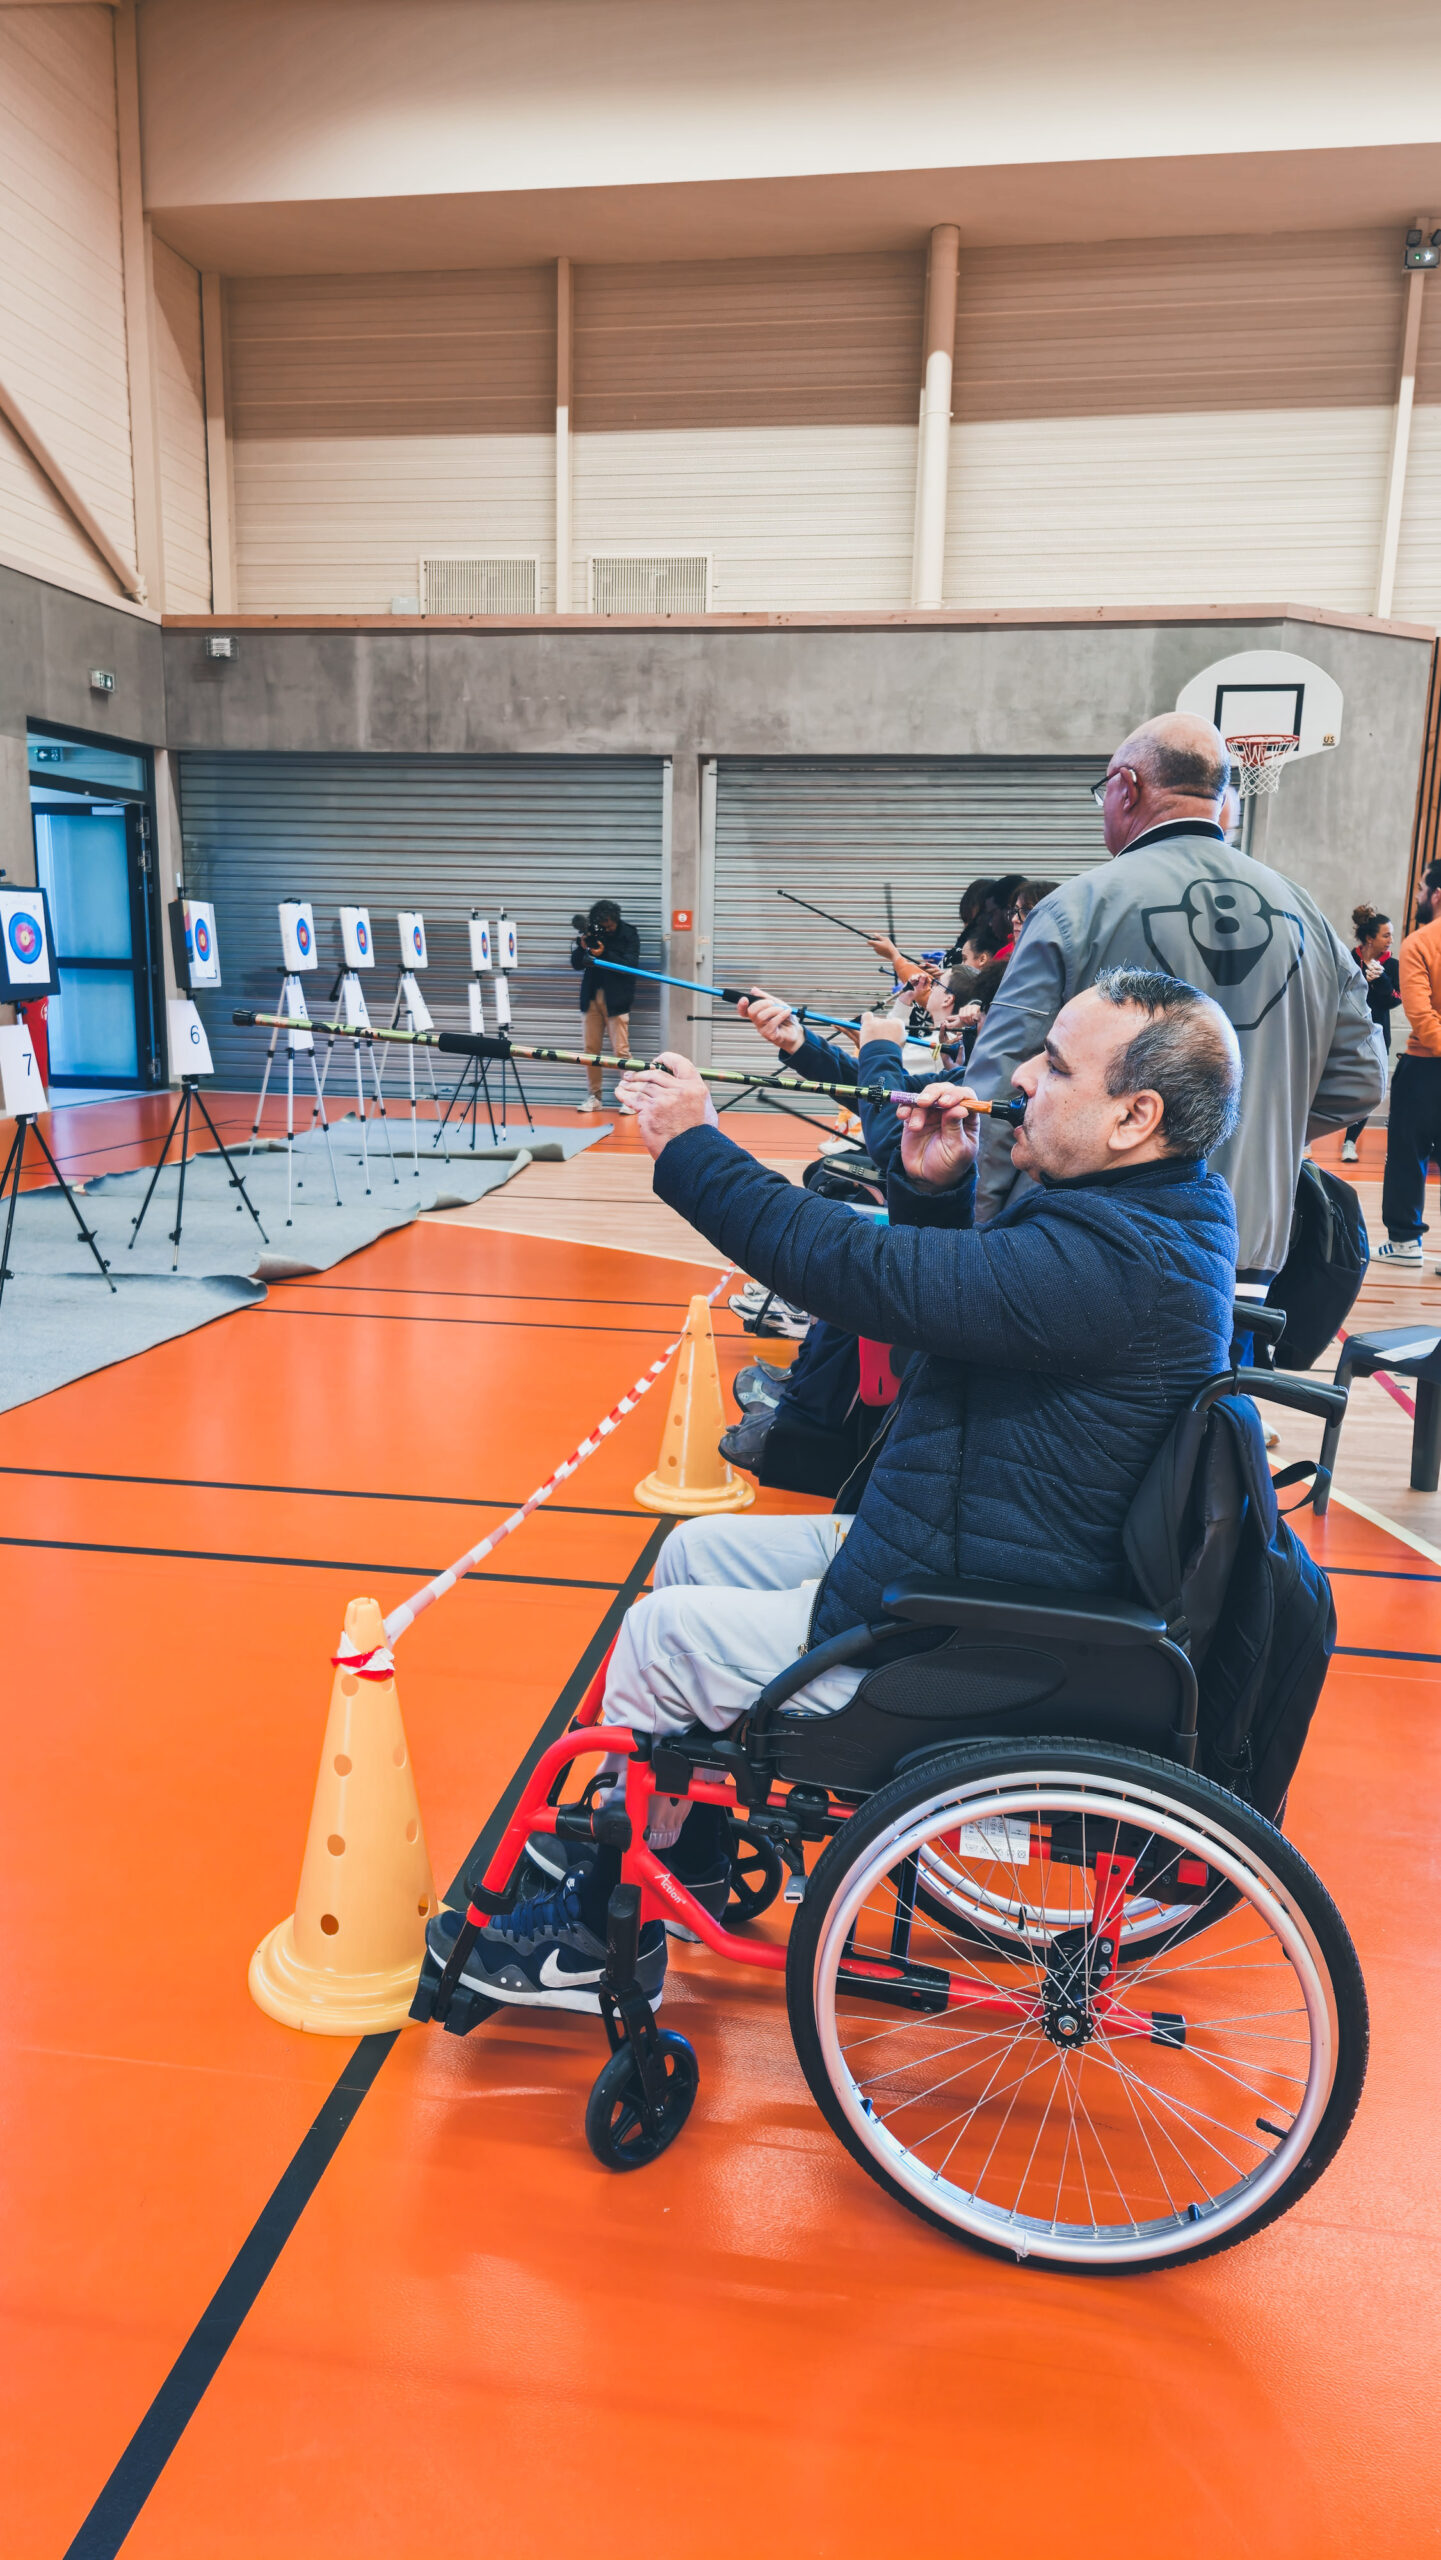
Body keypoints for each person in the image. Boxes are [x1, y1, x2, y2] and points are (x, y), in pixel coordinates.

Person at [428, 968, 1241, 2012]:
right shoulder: (1140, 1216)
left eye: (1054, 1065)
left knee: (662, 1633)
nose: (1023, 1078)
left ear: (1135, 1116)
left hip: (972, 1623)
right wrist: (929, 1189)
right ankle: (697, 1847)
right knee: (689, 1552)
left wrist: (693, 1151)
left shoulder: (1118, 1258)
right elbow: (967, 1311)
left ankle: (598, 1936)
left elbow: (867, 1278)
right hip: (978, 1544)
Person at [963, 713, 1387, 1298]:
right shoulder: (1307, 915)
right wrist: (1250, 1127)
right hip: (1244, 1252)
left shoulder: (1075, 909)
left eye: (1103, 794)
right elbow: (1361, 1081)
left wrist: (984, 1229)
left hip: (1088, 1245)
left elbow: (999, 1085)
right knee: (1212, 1389)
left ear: (1127, 787)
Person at [1378, 865, 1441, 1266]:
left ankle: (1404, 1244)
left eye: (1421, 888)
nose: (1417, 894)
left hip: (1424, 1068)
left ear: (1436, 894)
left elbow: (1421, 1017)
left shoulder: (1420, 943)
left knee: (1406, 1151)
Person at [1342, 903, 1401, 1162]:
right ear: (1370, 938)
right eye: (1386, 935)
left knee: (1368, 1089)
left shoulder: (1393, 965)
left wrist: (1382, 981)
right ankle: (1306, 1138)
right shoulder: (1348, 959)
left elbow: (1394, 1000)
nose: (1390, 940)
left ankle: (1349, 1142)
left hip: (1376, 1038)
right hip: (1344, 1034)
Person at [569, 898, 639, 1113]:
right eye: (603, 925)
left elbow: (630, 965)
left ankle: (630, 1099)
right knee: (590, 1051)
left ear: (615, 920)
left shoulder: (628, 933)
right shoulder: (592, 933)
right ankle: (594, 1097)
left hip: (616, 999)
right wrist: (583, 949)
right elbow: (575, 964)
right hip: (591, 997)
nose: (606, 929)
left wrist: (604, 953)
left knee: (621, 1051)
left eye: (609, 925)